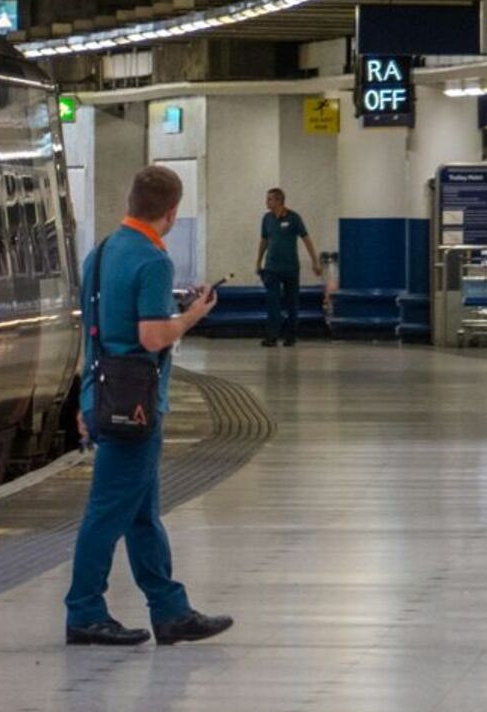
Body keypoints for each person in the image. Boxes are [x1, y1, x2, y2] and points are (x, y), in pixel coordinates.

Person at [65, 165, 234, 648]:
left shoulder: (100, 254)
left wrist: (84, 399)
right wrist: (193, 315)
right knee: (106, 513)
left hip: (104, 395)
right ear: (172, 212)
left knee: (141, 514)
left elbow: (92, 334)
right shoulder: (153, 261)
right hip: (135, 406)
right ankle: (84, 611)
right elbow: (152, 335)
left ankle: (170, 610)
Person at [256, 187, 320, 347]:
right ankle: (272, 336)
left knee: (292, 303)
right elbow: (264, 241)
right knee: (273, 303)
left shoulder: (294, 218)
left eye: (269, 199)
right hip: (271, 268)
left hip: (290, 268)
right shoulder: (267, 219)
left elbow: (306, 239)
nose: (267, 202)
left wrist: (315, 261)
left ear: (278, 200)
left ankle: (291, 336)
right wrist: (258, 261)